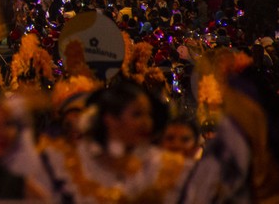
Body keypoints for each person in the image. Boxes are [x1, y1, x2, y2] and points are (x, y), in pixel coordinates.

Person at [40, 81, 188, 203]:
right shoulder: (71, 165)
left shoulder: (159, 165)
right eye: (137, 114)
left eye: (148, 115)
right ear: (110, 119)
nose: (146, 122)